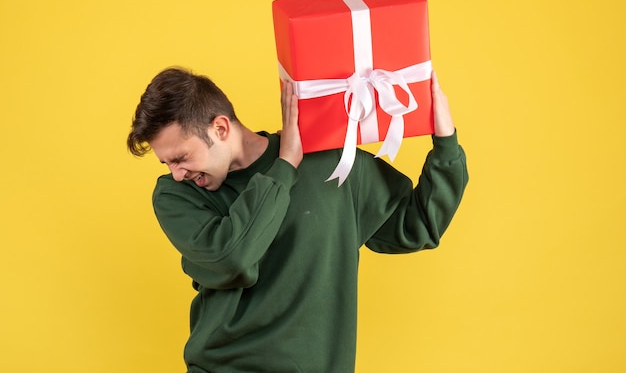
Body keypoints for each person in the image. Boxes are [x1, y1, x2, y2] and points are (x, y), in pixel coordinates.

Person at [127, 66, 468, 373]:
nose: (176, 173)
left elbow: (419, 225)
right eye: (167, 164)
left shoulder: (332, 166)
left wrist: (445, 143)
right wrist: (285, 166)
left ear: (219, 128)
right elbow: (231, 258)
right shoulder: (178, 196)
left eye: (181, 157)